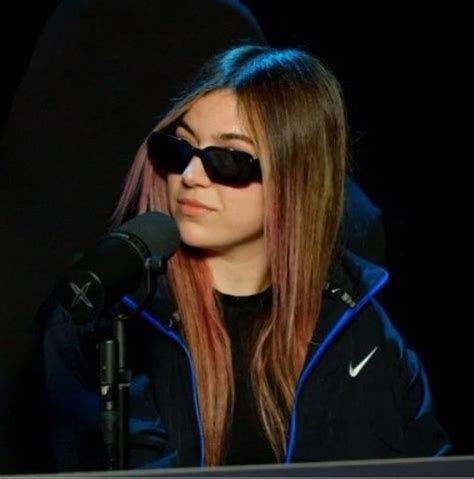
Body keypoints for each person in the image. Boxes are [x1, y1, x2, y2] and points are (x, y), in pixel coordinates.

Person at [41, 44, 450, 471]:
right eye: (178, 149)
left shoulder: (363, 328)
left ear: (298, 176)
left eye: (229, 160)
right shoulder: (103, 315)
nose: (190, 176)